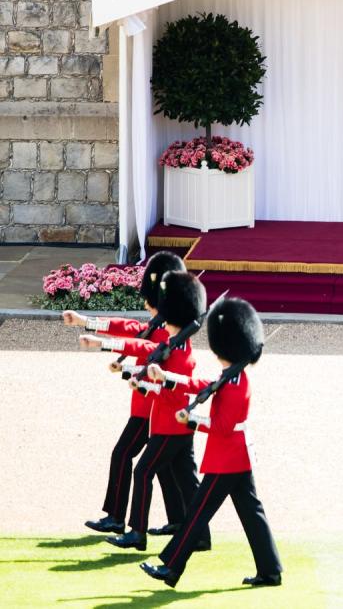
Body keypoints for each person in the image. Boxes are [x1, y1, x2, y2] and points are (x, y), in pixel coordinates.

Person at [139, 297, 283, 589]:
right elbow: (203, 385)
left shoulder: (237, 385)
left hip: (227, 459)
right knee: (251, 513)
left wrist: (190, 421)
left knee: (196, 514)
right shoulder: (231, 378)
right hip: (235, 458)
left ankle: (171, 567)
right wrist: (167, 377)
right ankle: (270, 570)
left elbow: (223, 427)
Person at [79, 271, 209, 553]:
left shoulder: (181, 352)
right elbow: (139, 345)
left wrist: (142, 385)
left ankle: (136, 532)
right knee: (185, 479)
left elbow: (169, 391)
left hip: (169, 425)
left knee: (143, 470)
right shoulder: (173, 344)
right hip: (170, 426)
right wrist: (115, 356)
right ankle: (199, 534)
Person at [68, 251, 188, 538]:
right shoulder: (159, 324)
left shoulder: (168, 331)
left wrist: (103, 344)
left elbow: (141, 345)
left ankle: (116, 517)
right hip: (147, 406)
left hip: (149, 409)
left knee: (123, 454)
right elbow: (132, 332)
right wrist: (86, 321)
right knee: (166, 466)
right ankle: (178, 520)